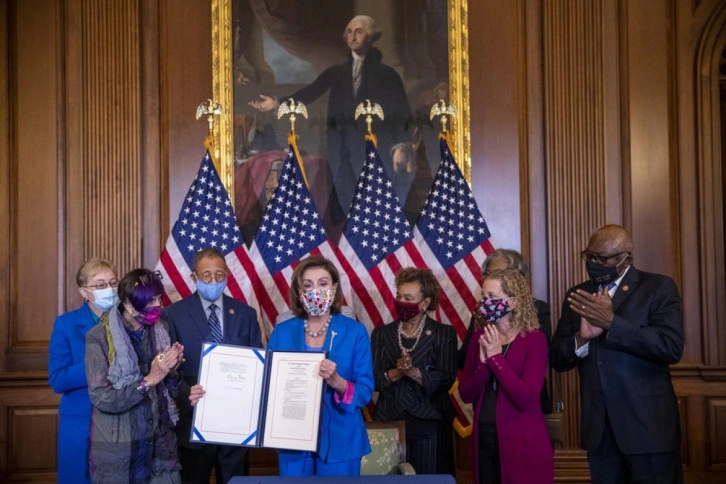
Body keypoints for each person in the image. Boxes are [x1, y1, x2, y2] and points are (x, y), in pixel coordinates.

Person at [550, 224, 684, 483]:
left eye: (602, 258)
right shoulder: (579, 296)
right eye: (589, 256)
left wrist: (613, 323)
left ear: (625, 259)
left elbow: (671, 346)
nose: (593, 263)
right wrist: (581, 339)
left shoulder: (657, 287)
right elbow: (557, 358)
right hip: (600, 433)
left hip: (648, 428)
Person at [250, 15, 411, 221]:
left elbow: (401, 113)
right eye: (350, 32)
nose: (353, 36)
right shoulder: (337, 72)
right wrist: (277, 103)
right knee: (347, 208)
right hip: (342, 151)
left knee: (375, 211)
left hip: (377, 151)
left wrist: (401, 146)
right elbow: (310, 92)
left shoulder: (388, 76)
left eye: (359, 31)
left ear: (371, 37)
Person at [265, 255, 373, 475]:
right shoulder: (282, 333)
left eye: (323, 283)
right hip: (292, 440)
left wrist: (338, 382)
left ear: (333, 288)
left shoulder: (355, 332)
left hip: (342, 441)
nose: (316, 290)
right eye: (308, 285)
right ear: (299, 292)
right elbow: (266, 386)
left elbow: (365, 392)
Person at [163, 248, 261, 484]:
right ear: (194, 277)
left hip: (236, 422)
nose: (213, 281)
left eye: (219, 274)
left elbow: (257, 364)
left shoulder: (245, 314)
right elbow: (169, 371)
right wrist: (190, 395)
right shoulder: (173, 315)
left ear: (227, 274)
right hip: (193, 421)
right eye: (206, 275)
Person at [85, 268, 184, 483]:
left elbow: (173, 390)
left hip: (159, 447)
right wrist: (149, 380)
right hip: (120, 451)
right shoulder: (99, 337)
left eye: (159, 298)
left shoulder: (162, 329)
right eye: (150, 301)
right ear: (129, 305)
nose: (158, 305)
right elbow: (102, 398)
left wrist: (172, 369)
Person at [459, 269, 553, 484]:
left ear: (512, 302)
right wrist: (483, 367)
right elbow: (466, 393)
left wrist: (495, 359)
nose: (485, 302)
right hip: (484, 437)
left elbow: (526, 398)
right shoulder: (479, 337)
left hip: (522, 442)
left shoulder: (534, 340)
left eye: (492, 297)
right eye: (484, 297)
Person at [370, 267, 457, 475]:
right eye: (399, 296)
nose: (401, 302)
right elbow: (374, 379)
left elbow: (446, 379)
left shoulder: (443, 334)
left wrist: (414, 372)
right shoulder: (382, 334)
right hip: (389, 422)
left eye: (408, 298)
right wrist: (398, 372)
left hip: (429, 423)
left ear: (425, 303)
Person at [48, 258, 118, 484]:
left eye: (112, 282)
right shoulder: (65, 325)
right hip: (82, 423)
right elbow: (58, 380)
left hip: (123, 423)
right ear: (84, 292)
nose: (109, 289)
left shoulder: (128, 323)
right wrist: (96, 363)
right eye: (100, 285)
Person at [457, 249, 553, 414]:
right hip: (487, 407)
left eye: (501, 273)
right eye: (489, 274)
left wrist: (496, 358)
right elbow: (464, 360)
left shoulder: (538, 311)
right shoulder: (483, 311)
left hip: (521, 410)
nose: (493, 278)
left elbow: (538, 360)